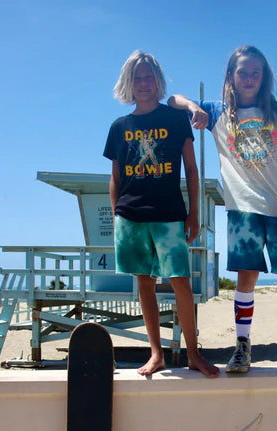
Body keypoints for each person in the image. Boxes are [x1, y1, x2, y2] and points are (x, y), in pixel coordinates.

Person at [169, 45, 277, 374]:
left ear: (264, 76)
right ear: (231, 77)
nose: (249, 78)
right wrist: (195, 108)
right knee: (246, 278)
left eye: (256, 72)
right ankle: (242, 347)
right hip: (243, 210)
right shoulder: (219, 112)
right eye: (242, 72)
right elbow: (173, 100)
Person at [104, 50, 219, 378]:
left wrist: (193, 213)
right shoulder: (119, 126)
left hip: (169, 213)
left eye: (148, 77)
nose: (143, 83)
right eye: (137, 78)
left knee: (181, 283)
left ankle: (193, 354)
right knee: (145, 283)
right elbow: (115, 176)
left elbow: (192, 171)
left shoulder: (173, 118)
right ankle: (156, 354)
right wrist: (116, 216)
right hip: (130, 216)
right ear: (129, 83)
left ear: (157, 81)